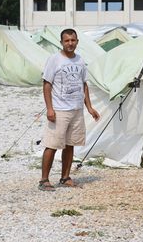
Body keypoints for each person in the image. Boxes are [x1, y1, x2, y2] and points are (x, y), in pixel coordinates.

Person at [39, 28, 100, 191]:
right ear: (61, 42)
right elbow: (47, 84)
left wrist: (89, 107)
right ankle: (44, 180)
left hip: (76, 109)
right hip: (59, 110)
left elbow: (84, 85)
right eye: (67, 41)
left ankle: (65, 177)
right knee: (51, 144)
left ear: (77, 42)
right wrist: (50, 109)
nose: (70, 43)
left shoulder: (80, 60)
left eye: (73, 40)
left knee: (70, 144)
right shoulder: (54, 59)